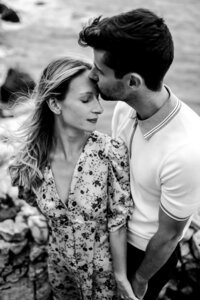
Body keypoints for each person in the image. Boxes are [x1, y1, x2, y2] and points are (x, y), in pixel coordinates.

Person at [78, 8, 200, 300]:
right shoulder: (125, 109)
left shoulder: (187, 150)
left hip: (144, 255)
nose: (92, 75)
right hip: (113, 237)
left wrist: (141, 279)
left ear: (133, 82)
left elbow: (169, 235)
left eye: (100, 70)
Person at [9, 56, 136, 300]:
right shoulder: (33, 161)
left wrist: (122, 279)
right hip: (60, 274)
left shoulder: (110, 153)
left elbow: (117, 223)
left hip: (105, 280)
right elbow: (33, 201)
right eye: (86, 99)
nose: (98, 108)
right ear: (56, 105)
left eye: (97, 98)